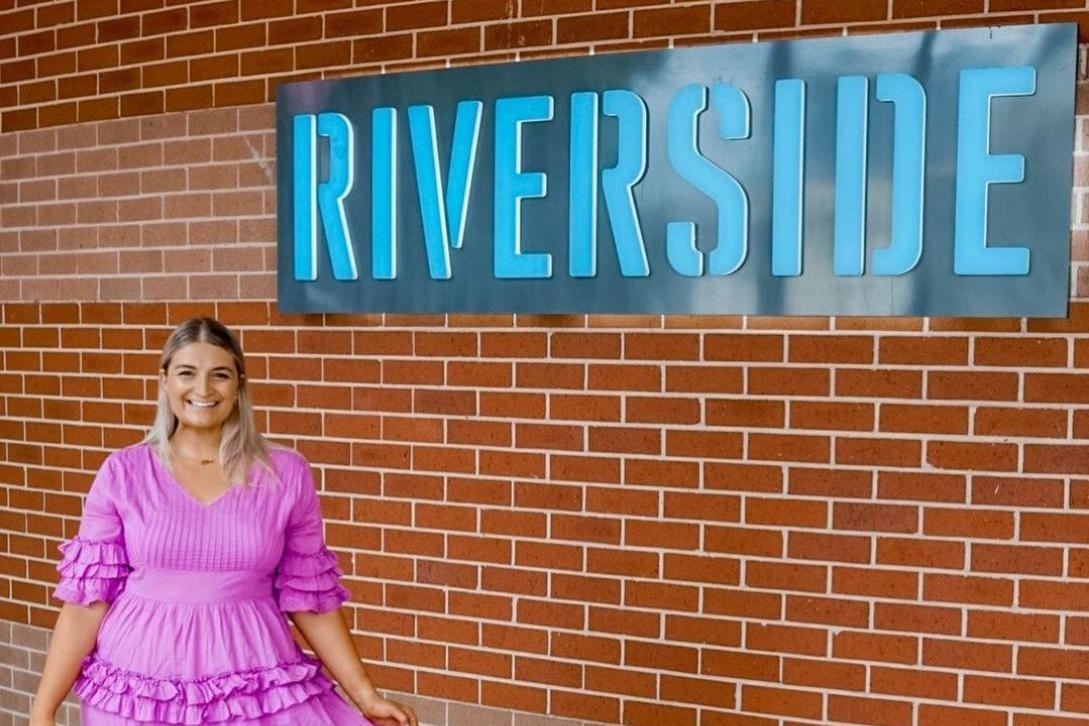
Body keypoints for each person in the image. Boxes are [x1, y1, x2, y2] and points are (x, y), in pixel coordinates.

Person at [30, 317, 419, 726]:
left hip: (253, 687)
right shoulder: (123, 472)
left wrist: (366, 696)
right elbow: (84, 607)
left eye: (220, 375)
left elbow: (312, 601)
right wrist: (43, 711)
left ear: (238, 385)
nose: (202, 390)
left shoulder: (285, 474)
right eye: (186, 373)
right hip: (140, 691)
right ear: (164, 381)